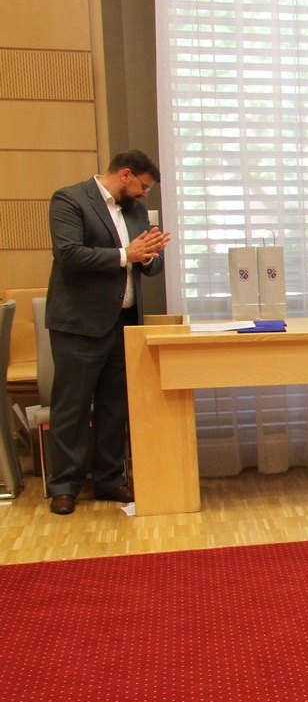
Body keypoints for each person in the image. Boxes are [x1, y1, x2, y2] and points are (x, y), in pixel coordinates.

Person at [44, 150, 170, 515]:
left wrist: (149, 257)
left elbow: (148, 262)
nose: (145, 194)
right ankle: (64, 486)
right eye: (143, 186)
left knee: (115, 407)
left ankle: (109, 479)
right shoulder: (70, 199)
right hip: (79, 324)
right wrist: (126, 255)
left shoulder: (136, 210)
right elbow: (69, 254)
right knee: (72, 408)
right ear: (125, 174)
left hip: (124, 322)